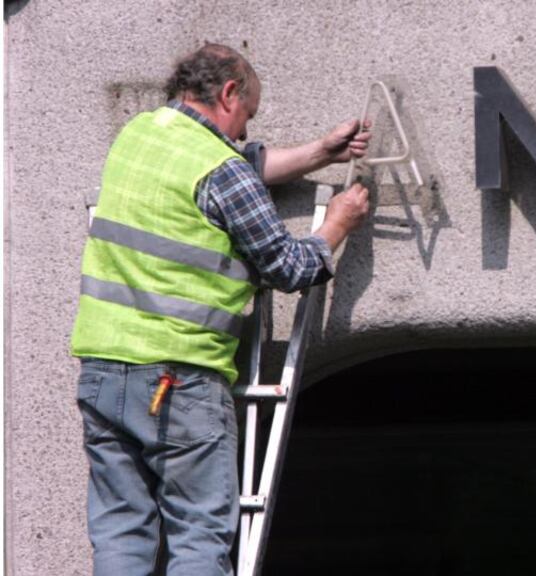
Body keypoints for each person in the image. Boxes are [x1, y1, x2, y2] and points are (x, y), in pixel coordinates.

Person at [70, 43, 371, 575]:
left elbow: (235, 161)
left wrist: (321, 152)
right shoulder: (222, 171)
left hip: (102, 372)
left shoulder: (140, 135)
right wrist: (338, 224)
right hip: (178, 378)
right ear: (229, 93)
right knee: (199, 535)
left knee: (120, 533)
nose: (244, 134)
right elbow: (289, 267)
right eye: (247, 116)